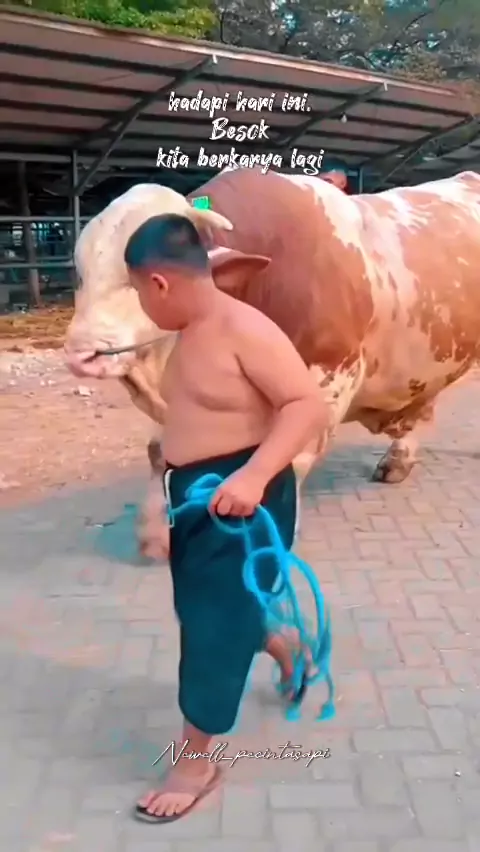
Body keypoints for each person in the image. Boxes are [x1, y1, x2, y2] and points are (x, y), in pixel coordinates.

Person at [123, 213, 328, 824]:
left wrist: (254, 477)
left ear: (159, 283)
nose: (142, 304)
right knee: (208, 611)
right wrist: (160, 494)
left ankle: (196, 760)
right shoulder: (191, 325)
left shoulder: (243, 329)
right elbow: (190, 415)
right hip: (196, 497)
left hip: (241, 501)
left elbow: (306, 404)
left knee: (211, 627)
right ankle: (284, 647)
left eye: (138, 292)